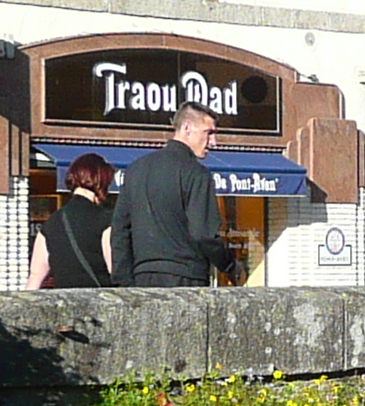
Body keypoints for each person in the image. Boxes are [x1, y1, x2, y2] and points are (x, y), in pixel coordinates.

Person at [109, 103, 236, 288]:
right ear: (186, 127)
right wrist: (231, 266)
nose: (213, 142)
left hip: (142, 276)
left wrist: (124, 282)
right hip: (186, 276)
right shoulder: (196, 173)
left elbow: (120, 230)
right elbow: (203, 234)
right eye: (208, 132)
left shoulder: (135, 169)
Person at [28, 152, 118, 288]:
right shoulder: (106, 219)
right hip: (100, 303)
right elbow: (114, 269)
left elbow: (35, 276)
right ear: (101, 182)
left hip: (66, 304)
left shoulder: (52, 222)